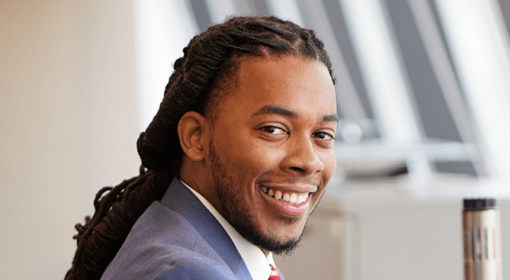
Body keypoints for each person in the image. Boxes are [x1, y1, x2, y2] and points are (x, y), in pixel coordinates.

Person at [65, 16, 338, 280]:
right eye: (273, 129)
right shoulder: (188, 273)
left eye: (323, 135)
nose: (309, 161)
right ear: (196, 137)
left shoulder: (185, 242)